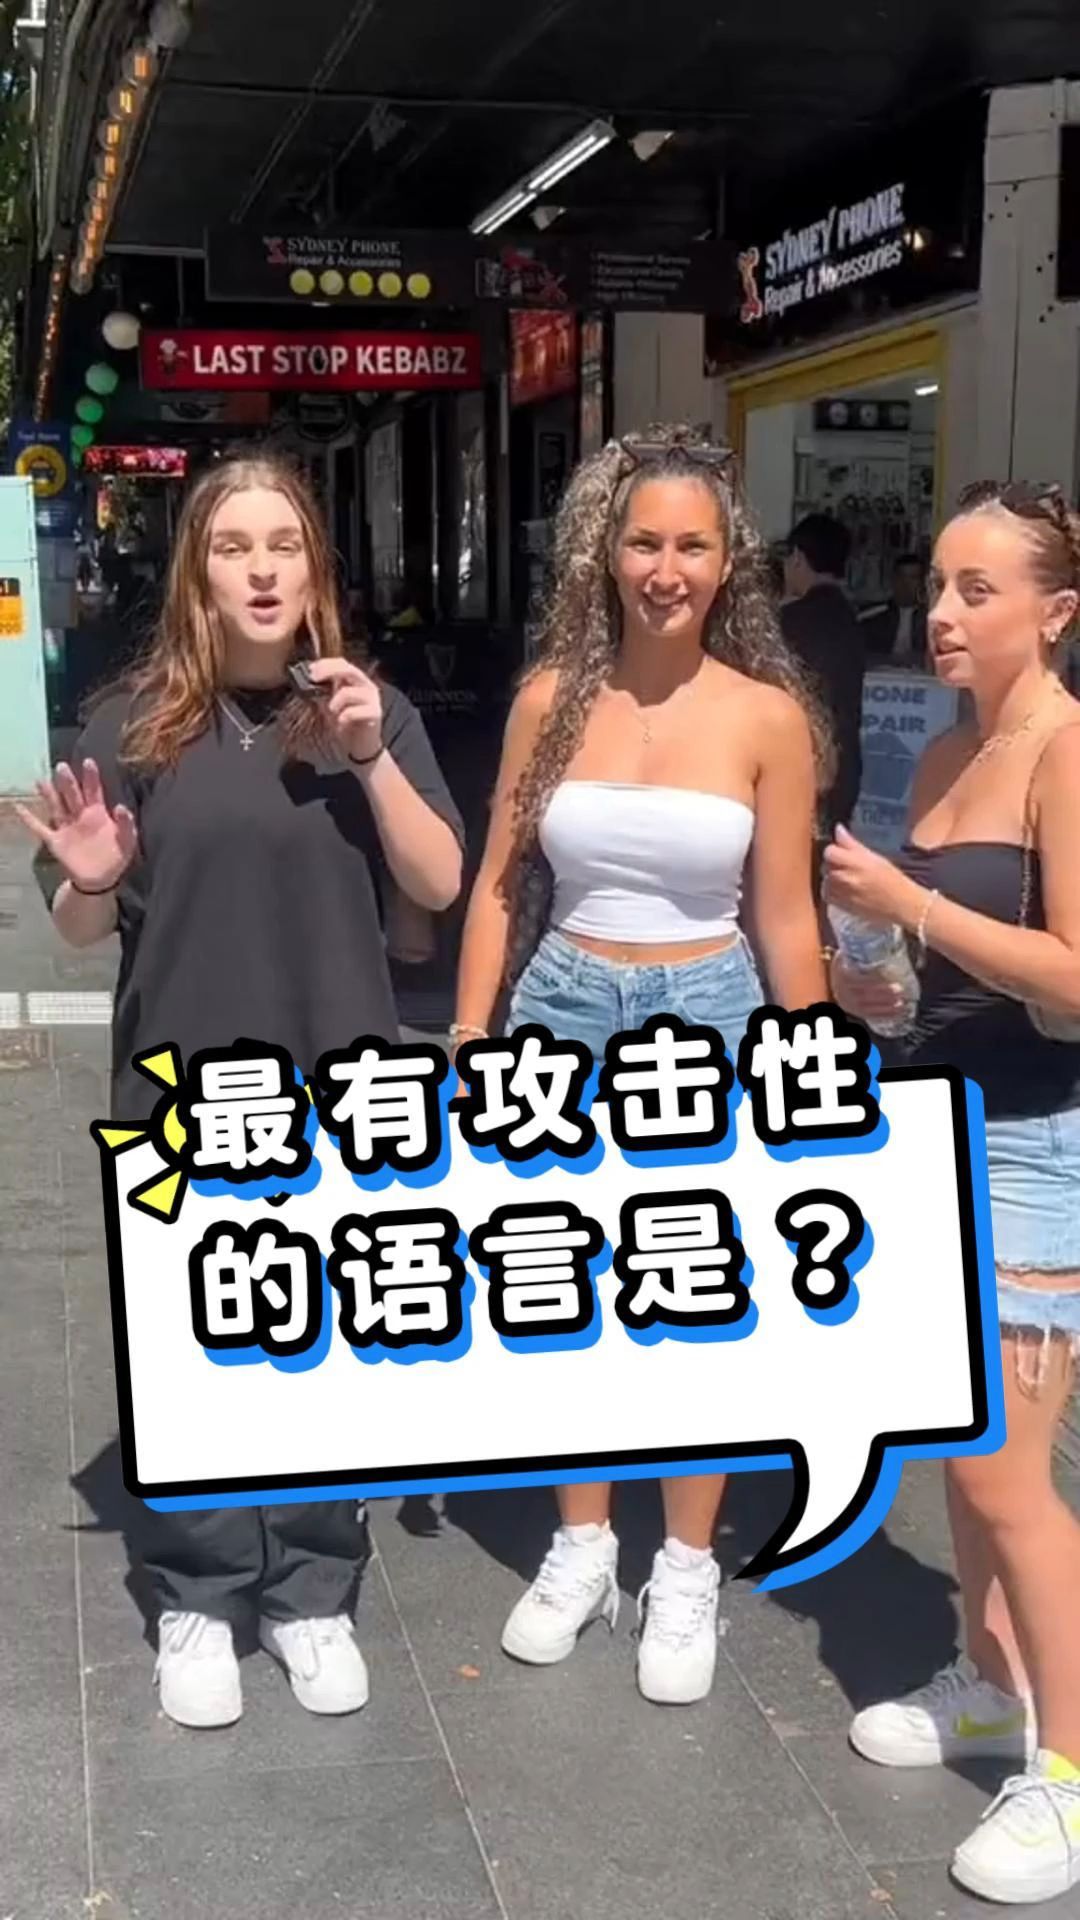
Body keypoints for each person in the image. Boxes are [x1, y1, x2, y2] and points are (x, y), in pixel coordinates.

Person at [18, 450, 464, 1732]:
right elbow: (79, 931)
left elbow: (438, 883)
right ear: (197, 574)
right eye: (233, 547)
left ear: (315, 569)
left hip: (338, 1082)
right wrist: (91, 877)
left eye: (284, 546)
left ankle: (313, 1584)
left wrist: (370, 759)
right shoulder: (131, 722)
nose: (261, 571)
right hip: (181, 1083)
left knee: (326, 1336)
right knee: (193, 1342)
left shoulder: (371, 712)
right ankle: (200, 1592)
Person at [453, 425, 828, 1706]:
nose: (666, 568)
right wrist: (470, 1037)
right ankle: (580, 1545)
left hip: (710, 1015)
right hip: (560, 1006)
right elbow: (500, 885)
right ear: (604, 556)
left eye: (693, 546)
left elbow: (786, 916)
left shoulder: (769, 718)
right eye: (644, 542)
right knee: (566, 1286)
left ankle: (683, 1566)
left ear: (729, 564)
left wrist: (815, 1071)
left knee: (690, 1294)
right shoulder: (548, 700)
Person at [823, 479, 1080, 1906]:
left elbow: (1077, 979)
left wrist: (909, 906)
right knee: (960, 1447)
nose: (943, 612)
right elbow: (924, 968)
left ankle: (1070, 1773)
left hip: (1033, 1140)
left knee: (1005, 1474)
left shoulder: (1066, 752)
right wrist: (872, 969)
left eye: (979, 591)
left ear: (1057, 612)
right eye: (938, 584)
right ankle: (990, 1682)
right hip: (929, 1125)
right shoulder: (939, 754)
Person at [781, 513, 866, 845]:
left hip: (800, 766)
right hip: (845, 766)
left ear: (798, 557)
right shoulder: (851, 619)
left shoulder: (790, 621)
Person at [858, 552, 929, 661]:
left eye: (913, 578)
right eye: (901, 577)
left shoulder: (930, 618)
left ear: (922, 583)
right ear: (893, 580)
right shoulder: (873, 616)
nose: (906, 584)